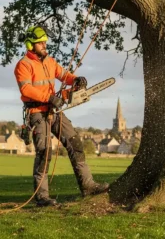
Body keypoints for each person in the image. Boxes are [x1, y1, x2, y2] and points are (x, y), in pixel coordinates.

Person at [14, 25, 109, 207]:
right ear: (31, 44)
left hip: (55, 111)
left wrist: (75, 80)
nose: (44, 45)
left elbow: (63, 75)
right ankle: (42, 197)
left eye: (44, 42)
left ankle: (87, 186)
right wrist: (49, 97)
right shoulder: (23, 65)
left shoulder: (49, 61)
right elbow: (26, 89)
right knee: (44, 153)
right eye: (40, 43)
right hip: (37, 113)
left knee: (75, 144)